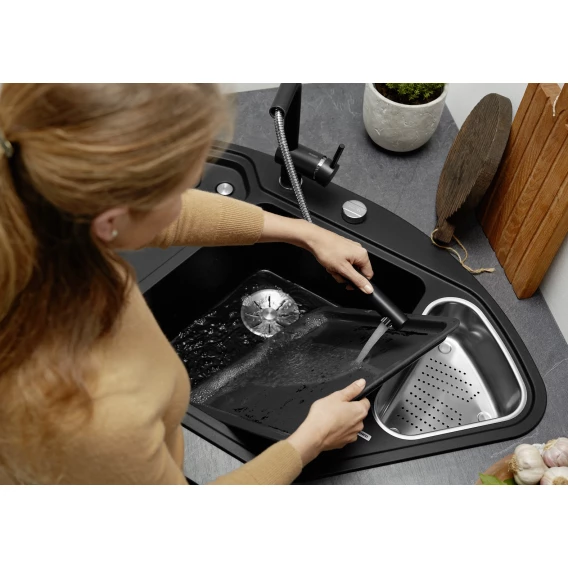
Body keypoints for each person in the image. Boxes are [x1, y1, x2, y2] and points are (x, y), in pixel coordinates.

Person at [0, 84, 374, 485]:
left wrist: (303, 232)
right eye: (177, 190)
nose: (186, 199)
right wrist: (309, 442)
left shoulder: (32, 197)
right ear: (110, 222)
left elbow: (165, 215)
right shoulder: (96, 415)